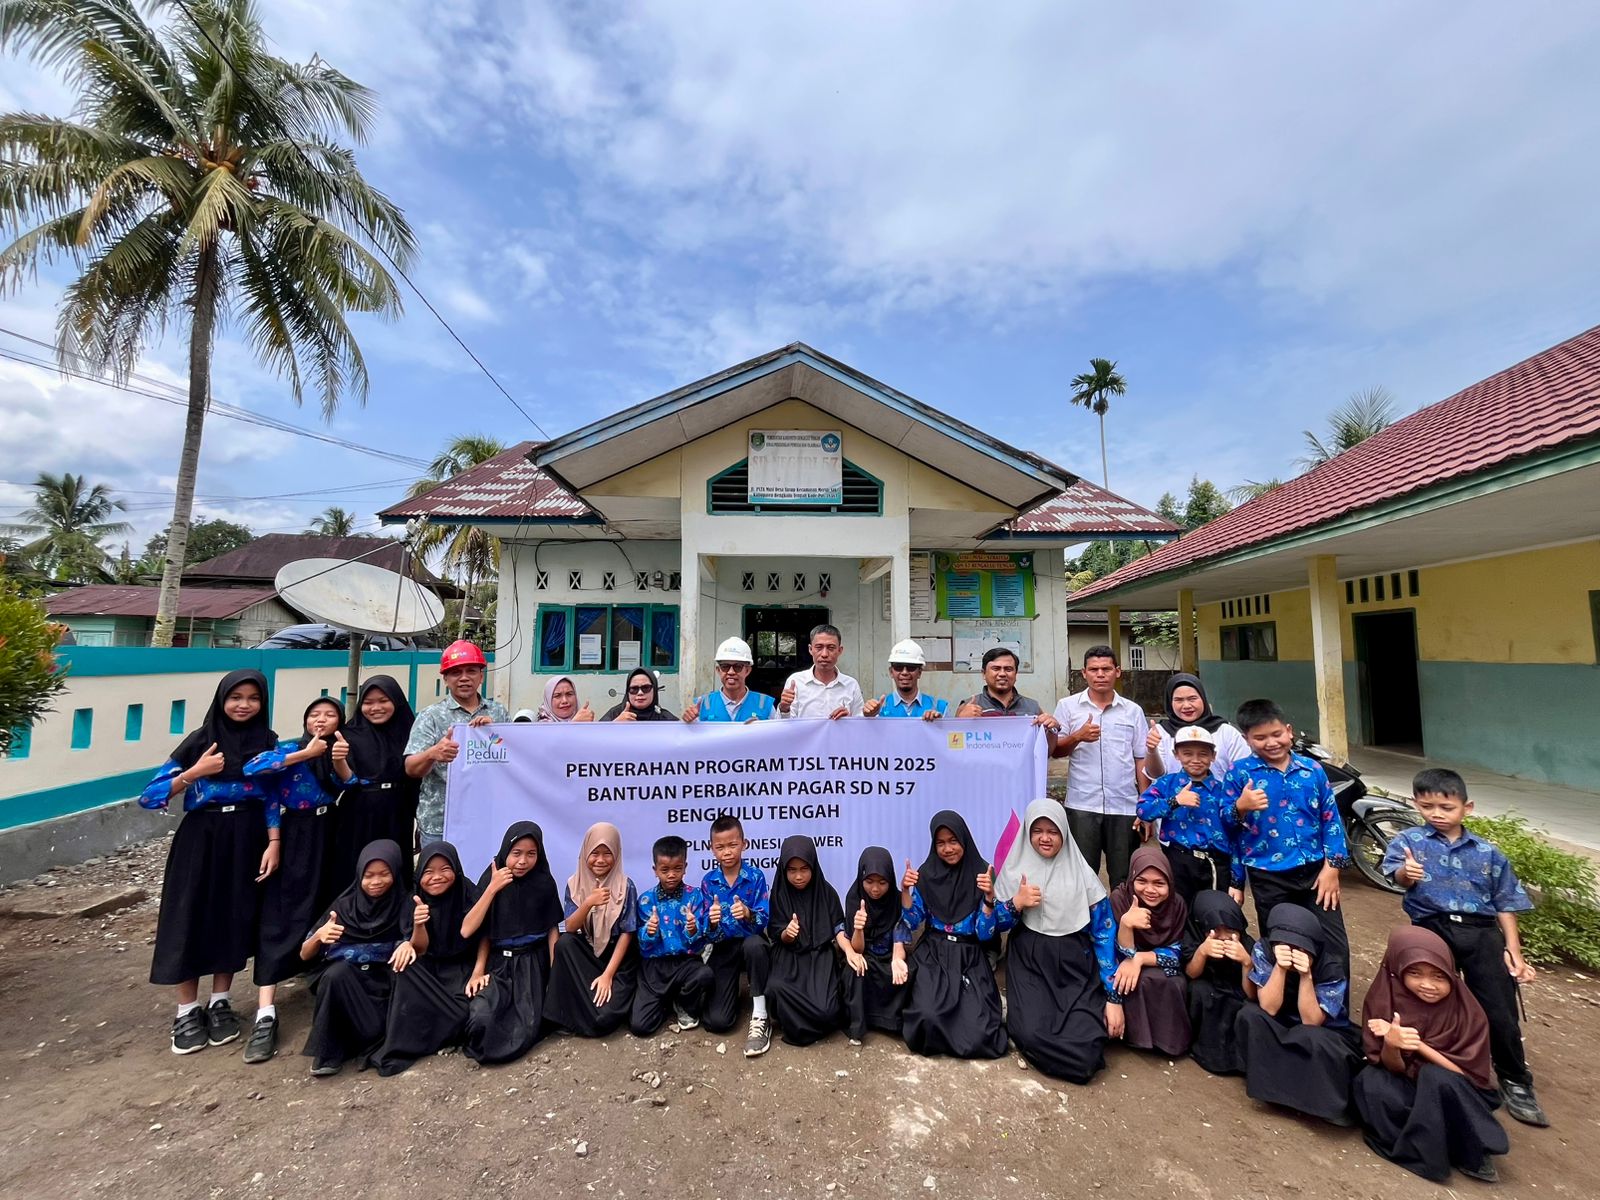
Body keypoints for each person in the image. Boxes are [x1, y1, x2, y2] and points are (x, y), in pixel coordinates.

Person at [1380, 767, 1546, 1127]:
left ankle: (1515, 1079)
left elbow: (1505, 903)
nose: (1436, 814)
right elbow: (1395, 878)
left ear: (1466, 807)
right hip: (1430, 929)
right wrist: (1408, 874)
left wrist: (1513, 950)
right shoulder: (1408, 841)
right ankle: (1427, 1064)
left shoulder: (1488, 853)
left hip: (1482, 932)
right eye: (1427, 806)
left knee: (1499, 1008)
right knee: (1425, 997)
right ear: (1415, 804)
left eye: (1446, 806)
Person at [140, 668, 279, 1056]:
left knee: (233, 917)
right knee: (191, 915)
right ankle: (187, 1009)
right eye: (236, 697)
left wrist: (273, 842)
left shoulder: (265, 741)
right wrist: (193, 773)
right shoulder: (200, 741)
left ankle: (220, 1002)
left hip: (247, 839)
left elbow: (270, 795)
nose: (244, 705)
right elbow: (149, 797)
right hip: (201, 838)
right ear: (222, 699)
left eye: (253, 698)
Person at [240, 696, 353, 1064]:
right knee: (279, 912)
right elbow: (255, 771)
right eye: (314, 714)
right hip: (292, 835)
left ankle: (325, 990)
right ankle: (265, 1013)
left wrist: (337, 758)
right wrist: (274, 841)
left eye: (330, 714)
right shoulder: (287, 749)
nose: (321, 719)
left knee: (326, 908)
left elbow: (354, 785)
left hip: (329, 832)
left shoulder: (341, 748)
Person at [1354, 926, 1510, 1183]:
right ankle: (1419, 1148)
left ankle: (1469, 1150)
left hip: (1456, 1091)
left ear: (1452, 974)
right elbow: (1392, 1068)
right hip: (1409, 1083)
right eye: (1414, 973)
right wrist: (1392, 1045)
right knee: (1371, 1082)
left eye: (1439, 976)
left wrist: (1418, 1046)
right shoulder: (1384, 999)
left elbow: (1468, 1078)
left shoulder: (1468, 1013)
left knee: (1435, 1077)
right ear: (1396, 970)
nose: (1427, 985)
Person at [995, 799, 1120, 1084]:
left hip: (1073, 964)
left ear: (1064, 831)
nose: (1045, 838)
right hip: (1031, 962)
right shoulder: (1016, 869)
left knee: (1088, 1046)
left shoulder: (1083, 875)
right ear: (1027, 833)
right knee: (1029, 1032)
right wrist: (1016, 903)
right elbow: (992, 927)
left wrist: (1113, 997)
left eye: (1052, 830)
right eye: (1037, 830)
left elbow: (1103, 934)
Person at [1232, 698, 1351, 981]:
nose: (1271, 743)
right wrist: (1240, 806)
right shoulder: (1240, 773)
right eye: (1259, 738)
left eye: (1276, 734)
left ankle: (1335, 1016)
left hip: (1316, 874)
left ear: (1289, 730)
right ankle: (1284, 1011)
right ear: (1246, 739)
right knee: (1280, 946)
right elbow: (1229, 828)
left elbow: (1331, 820)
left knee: (1333, 945)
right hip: (1267, 877)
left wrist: (1332, 868)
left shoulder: (1313, 770)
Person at [298, 839, 421, 1077]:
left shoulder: (406, 903)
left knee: (408, 968)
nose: (376, 882)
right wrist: (318, 937)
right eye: (369, 875)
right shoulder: (343, 907)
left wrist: (408, 942)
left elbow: (416, 943)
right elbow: (305, 954)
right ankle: (329, 1051)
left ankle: (379, 1038)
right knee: (335, 974)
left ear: (395, 872)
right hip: (351, 987)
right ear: (359, 875)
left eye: (384, 874)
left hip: (386, 985)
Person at [898, 811, 1014, 1059]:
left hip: (968, 956)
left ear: (964, 839)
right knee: (927, 1018)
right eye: (941, 843)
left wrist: (989, 900)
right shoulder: (926, 873)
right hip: (933, 954)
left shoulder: (983, 873)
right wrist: (906, 891)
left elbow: (984, 934)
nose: (948, 848)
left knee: (981, 1031)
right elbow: (912, 920)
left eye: (953, 841)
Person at [1235, 903, 1361, 1125]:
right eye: (1285, 944)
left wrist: (1306, 976)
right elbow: (1269, 1007)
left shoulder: (1331, 967)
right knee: (1250, 1014)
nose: (1293, 951)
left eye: (1301, 947)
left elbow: (1311, 1021)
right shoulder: (1264, 949)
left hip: (1322, 1030)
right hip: (1280, 1016)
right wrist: (1280, 969)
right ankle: (1268, 1087)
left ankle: (1308, 1100)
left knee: (1309, 1036)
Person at [368, 841, 481, 1076]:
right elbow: (419, 948)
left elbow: (484, 936)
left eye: (444, 869)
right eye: (428, 872)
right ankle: (403, 1043)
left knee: (465, 1016)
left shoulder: (468, 892)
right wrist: (418, 925)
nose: (437, 877)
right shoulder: (414, 900)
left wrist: (478, 971)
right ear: (419, 876)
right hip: (430, 972)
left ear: (456, 869)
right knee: (403, 966)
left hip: (461, 970)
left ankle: (438, 1029)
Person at [461, 821, 563, 1064]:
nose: (522, 861)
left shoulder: (544, 882)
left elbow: (551, 929)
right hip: (499, 966)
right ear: (506, 851)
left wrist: (555, 974)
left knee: (527, 1025)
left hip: (532, 964)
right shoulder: (492, 880)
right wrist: (493, 889)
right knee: (480, 1017)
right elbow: (471, 930)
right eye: (516, 853)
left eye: (531, 854)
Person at [1050, 645, 1150, 889]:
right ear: (1084, 673)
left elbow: (1141, 759)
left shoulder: (1133, 711)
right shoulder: (1068, 706)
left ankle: (1122, 925)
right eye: (1094, 669)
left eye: (1106, 669)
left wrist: (1145, 806)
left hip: (1124, 805)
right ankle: (1086, 926)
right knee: (1082, 876)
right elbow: (1054, 751)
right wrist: (1077, 736)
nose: (1100, 674)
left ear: (1118, 671)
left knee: (1124, 878)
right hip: (1082, 804)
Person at [404, 641, 510, 843]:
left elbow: (514, 759)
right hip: (440, 823)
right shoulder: (431, 716)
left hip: (488, 817)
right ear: (445, 678)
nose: (464, 678)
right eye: (455, 672)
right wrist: (432, 753)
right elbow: (410, 768)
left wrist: (497, 732)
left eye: (471, 671)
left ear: (481, 676)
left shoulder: (498, 713)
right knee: (440, 875)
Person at [1136, 725, 1252, 907]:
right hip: (1178, 861)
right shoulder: (1168, 784)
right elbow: (1143, 810)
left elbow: (1236, 836)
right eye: (1188, 753)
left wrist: (1237, 881)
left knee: (1215, 915)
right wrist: (1175, 801)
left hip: (1216, 865)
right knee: (1178, 913)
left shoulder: (1223, 791)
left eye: (1203, 754)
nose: (1195, 760)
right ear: (1176, 754)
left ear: (1213, 756)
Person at [546, 823, 639, 1037]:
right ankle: (563, 1014)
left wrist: (607, 976)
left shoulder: (626, 886)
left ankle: (589, 1012)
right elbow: (569, 927)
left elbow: (627, 934)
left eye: (607, 854)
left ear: (617, 854)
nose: (600, 860)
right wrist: (588, 903)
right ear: (585, 852)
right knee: (565, 944)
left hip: (618, 959)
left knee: (604, 1020)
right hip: (588, 952)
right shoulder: (574, 883)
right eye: (594, 853)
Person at [700, 813, 775, 1056]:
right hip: (724, 947)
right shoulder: (708, 882)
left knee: (755, 945)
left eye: (733, 845)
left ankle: (761, 1014)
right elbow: (706, 934)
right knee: (718, 1022)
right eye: (720, 847)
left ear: (744, 844)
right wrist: (710, 924)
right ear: (711, 849)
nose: (727, 852)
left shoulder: (755, 877)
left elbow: (764, 920)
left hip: (750, 943)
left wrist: (747, 913)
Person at [1107, 846, 1191, 1056]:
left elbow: (1179, 951)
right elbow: (1114, 952)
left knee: (1173, 982)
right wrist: (1126, 924)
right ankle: (1135, 1038)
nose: (1150, 890)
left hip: (1156, 961)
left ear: (1169, 883)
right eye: (1142, 881)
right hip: (1122, 959)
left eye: (1159, 883)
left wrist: (1141, 959)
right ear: (1132, 878)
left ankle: (1167, 1042)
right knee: (1131, 980)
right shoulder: (1120, 899)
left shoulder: (1177, 904)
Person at [765, 835, 848, 1046]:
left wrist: (850, 950)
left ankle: (804, 1018)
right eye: (792, 870)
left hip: (819, 958)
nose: (799, 876)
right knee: (775, 989)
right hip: (788, 956)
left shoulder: (827, 893)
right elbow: (776, 931)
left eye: (804, 869)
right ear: (783, 869)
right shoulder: (779, 893)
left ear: (814, 866)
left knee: (827, 1011)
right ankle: (797, 1019)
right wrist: (787, 933)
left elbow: (839, 927)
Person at [337, 676, 420, 884]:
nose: (375, 708)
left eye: (383, 700)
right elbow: (345, 778)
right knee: (357, 864)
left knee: (396, 864)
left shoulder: (412, 732)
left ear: (396, 700)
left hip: (398, 810)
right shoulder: (350, 733)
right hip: (359, 811)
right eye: (368, 702)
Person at [631, 835, 715, 1036]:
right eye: (664, 870)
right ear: (655, 870)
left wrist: (693, 928)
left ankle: (684, 1003)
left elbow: (702, 937)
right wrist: (649, 931)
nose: (671, 875)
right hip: (655, 968)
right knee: (641, 1027)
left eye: (677, 869)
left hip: (685, 962)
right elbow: (642, 945)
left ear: (685, 867)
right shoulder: (645, 901)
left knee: (705, 975)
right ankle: (665, 1001)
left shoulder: (695, 897)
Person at [1182, 890, 1255, 1075]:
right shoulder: (1193, 937)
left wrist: (1246, 962)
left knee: (1244, 1008)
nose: (1223, 936)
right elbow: (1191, 973)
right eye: (1214, 930)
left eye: (1229, 929)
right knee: (1199, 992)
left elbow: (1251, 993)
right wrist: (1202, 952)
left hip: (1236, 991)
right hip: (1208, 988)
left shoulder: (1248, 944)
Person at [842, 847, 909, 1043]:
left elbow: (900, 936)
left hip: (889, 956)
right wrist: (859, 929)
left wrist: (898, 959)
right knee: (856, 971)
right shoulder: (854, 898)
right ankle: (858, 1026)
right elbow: (857, 950)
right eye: (869, 882)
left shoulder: (895, 900)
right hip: (865, 955)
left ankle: (892, 1023)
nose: (875, 889)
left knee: (908, 972)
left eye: (882, 882)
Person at [1143, 672, 1250, 781]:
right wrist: (1152, 751)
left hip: (1222, 797)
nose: (1186, 706)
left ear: (1203, 698)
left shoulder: (1225, 731)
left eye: (1192, 698)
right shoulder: (1160, 732)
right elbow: (1155, 775)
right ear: (1170, 702)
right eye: (1178, 700)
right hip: (1175, 797)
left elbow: (1244, 768)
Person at [777, 624, 862, 720]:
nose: (824, 654)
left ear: (840, 650)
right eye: (819, 647)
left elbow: (859, 723)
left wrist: (848, 719)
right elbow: (786, 727)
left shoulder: (851, 685)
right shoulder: (796, 681)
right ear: (810, 649)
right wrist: (784, 708)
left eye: (831, 648)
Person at [682, 637, 777, 722]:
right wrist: (688, 723)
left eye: (738, 666)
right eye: (725, 666)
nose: (731, 672)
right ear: (718, 670)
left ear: (747, 670)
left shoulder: (765, 705)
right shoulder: (701, 705)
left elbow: (778, 737)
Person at [862, 639, 947, 719]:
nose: (904, 672)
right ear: (891, 672)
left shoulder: (940, 707)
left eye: (911, 667)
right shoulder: (877, 708)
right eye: (898, 667)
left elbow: (949, 733)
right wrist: (869, 718)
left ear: (919, 672)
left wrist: (940, 725)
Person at [601, 668, 678, 722]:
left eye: (646, 688)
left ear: (654, 690)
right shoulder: (615, 714)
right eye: (634, 689)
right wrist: (613, 726)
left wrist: (689, 723)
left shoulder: (664, 718)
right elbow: (597, 738)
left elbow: (682, 737)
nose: (640, 693)